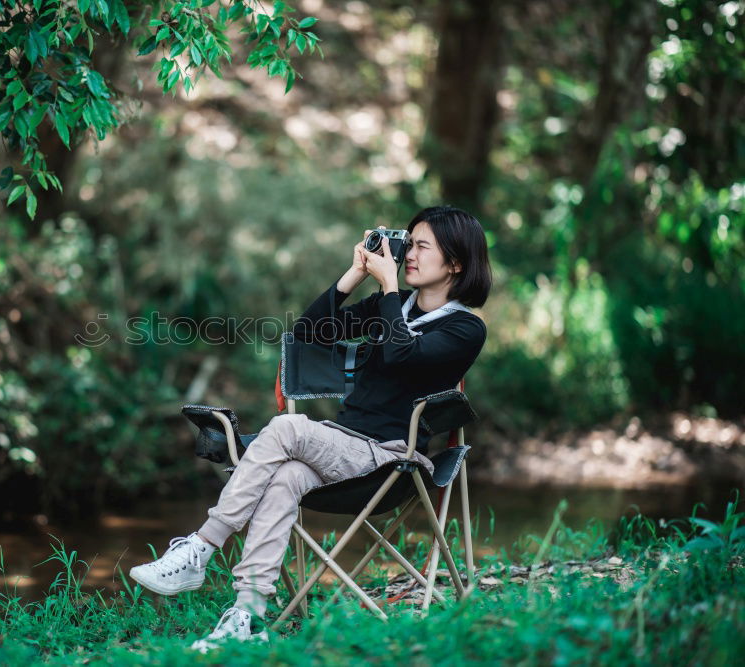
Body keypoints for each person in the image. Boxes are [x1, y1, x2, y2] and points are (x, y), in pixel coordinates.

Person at [129, 206, 493, 650]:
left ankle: (201, 548)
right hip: (346, 449)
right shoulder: (390, 305)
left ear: (455, 263)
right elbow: (309, 332)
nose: (408, 255)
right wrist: (354, 275)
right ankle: (248, 613)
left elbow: (403, 356)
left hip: (393, 459)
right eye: (409, 244)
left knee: (285, 429)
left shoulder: (464, 328)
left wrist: (390, 287)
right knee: (284, 477)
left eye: (421, 247)